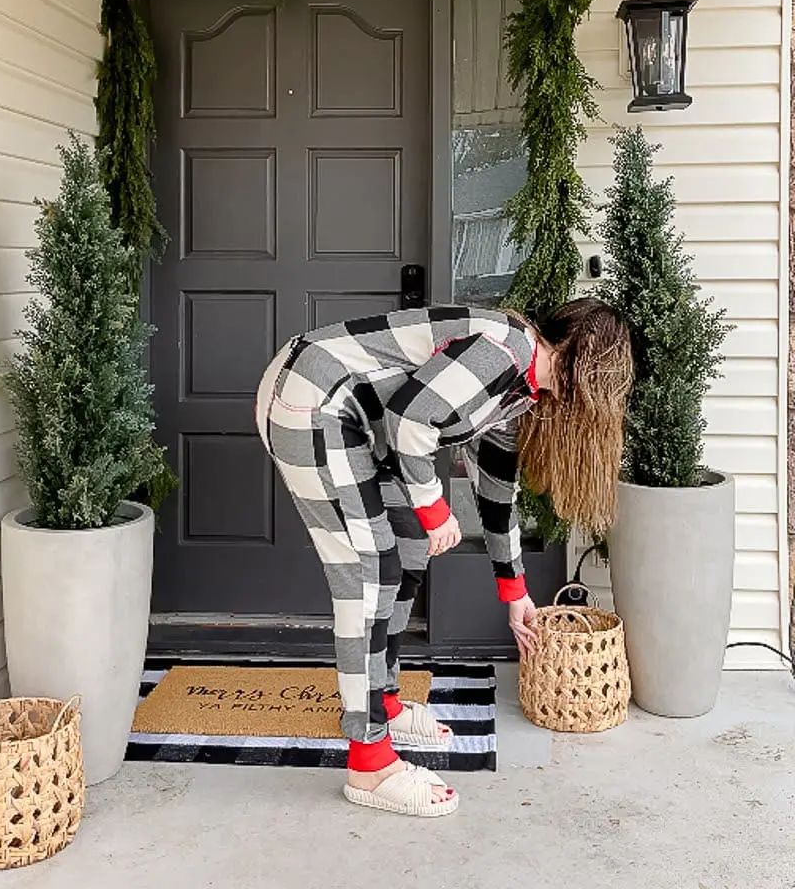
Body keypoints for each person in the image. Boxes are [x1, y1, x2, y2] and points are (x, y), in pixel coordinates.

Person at [255, 299, 632, 817]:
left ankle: (382, 698)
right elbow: (411, 417)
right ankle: (370, 763)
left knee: (406, 547)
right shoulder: (506, 351)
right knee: (370, 570)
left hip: (354, 423)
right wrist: (435, 509)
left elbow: (498, 492)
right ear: (587, 361)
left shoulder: (521, 390)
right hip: (312, 400)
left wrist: (514, 591)